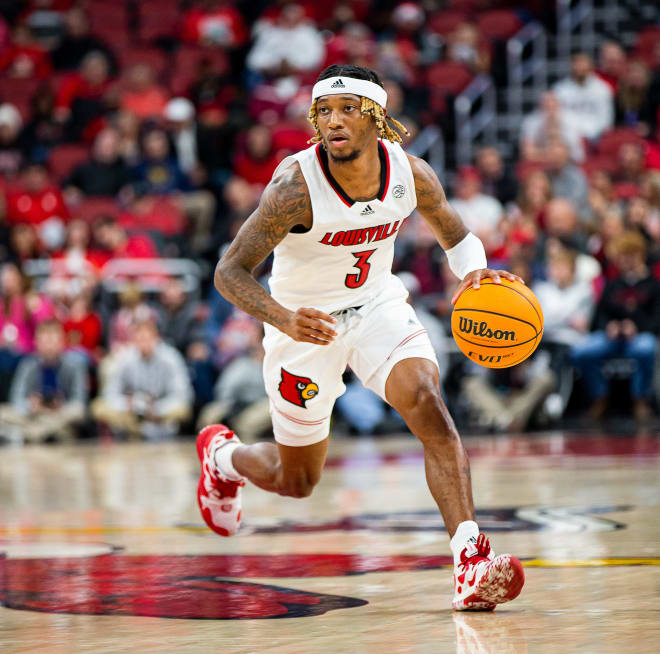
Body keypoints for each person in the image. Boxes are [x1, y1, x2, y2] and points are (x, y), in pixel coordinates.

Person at [196, 64, 525, 611]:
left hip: (376, 308)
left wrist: (473, 273)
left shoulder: (410, 174)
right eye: (324, 111)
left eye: (348, 108)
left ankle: (470, 559)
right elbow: (228, 272)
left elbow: (457, 236)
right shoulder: (294, 187)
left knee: (427, 403)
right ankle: (224, 459)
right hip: (304, 328)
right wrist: (281, 318)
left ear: (377, 118)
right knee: (296, 479)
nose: (333, 121)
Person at [572, 231, 660, 422]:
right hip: (612, 337)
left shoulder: (653, 285)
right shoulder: (613, 284)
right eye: (622, 257)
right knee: (581, 351)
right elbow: (599, 316)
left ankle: (640, 399)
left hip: (640, 336)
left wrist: (637, 326)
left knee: (646, 348)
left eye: (630, 255)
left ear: (640, 255)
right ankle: (599, 396)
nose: (626, 261)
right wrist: (609, 326)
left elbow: (657, 318)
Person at [92, 318, 193, 440]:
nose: (144, 344)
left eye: (147, 339)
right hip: (132, 413)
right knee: (98, 407)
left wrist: (156, 409)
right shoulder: (125, 358)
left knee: (182, 410)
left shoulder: (171, 358)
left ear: (157, 338)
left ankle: (144, 431)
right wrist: (127, 403)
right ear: (133, 340)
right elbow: (109, 393)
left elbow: (183, 395)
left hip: (162, 412)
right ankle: (136, 430)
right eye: (139, 340)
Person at [0, 319, 88, 442]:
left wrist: (61, 406)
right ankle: (42, 433)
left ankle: (32, 434)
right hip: (33, 416)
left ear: (62, 342)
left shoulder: (74, 365)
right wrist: (31, 405)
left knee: (77, 413)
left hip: (60, 415)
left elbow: (79, 402)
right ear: (36, 342)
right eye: (45, 340)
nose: (49, 345)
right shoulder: (27, 365)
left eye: (53, 340)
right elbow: (16, 398)